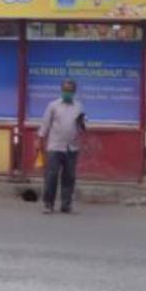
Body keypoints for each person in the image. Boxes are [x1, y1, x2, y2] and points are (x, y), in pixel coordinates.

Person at [37, 78, 87, 214]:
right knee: (51, 176)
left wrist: (82, 123)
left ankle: (66, 205)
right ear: (61, 90)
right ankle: (48, 204)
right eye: (65, 90)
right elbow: (45, 124)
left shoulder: (79, 107)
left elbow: (83, 127)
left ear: (74, 92)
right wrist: (40, 140)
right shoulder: (53, 105)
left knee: (69, 177)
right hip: (55, 146)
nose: (67, 93)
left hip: (72, 147)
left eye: (70, 91)